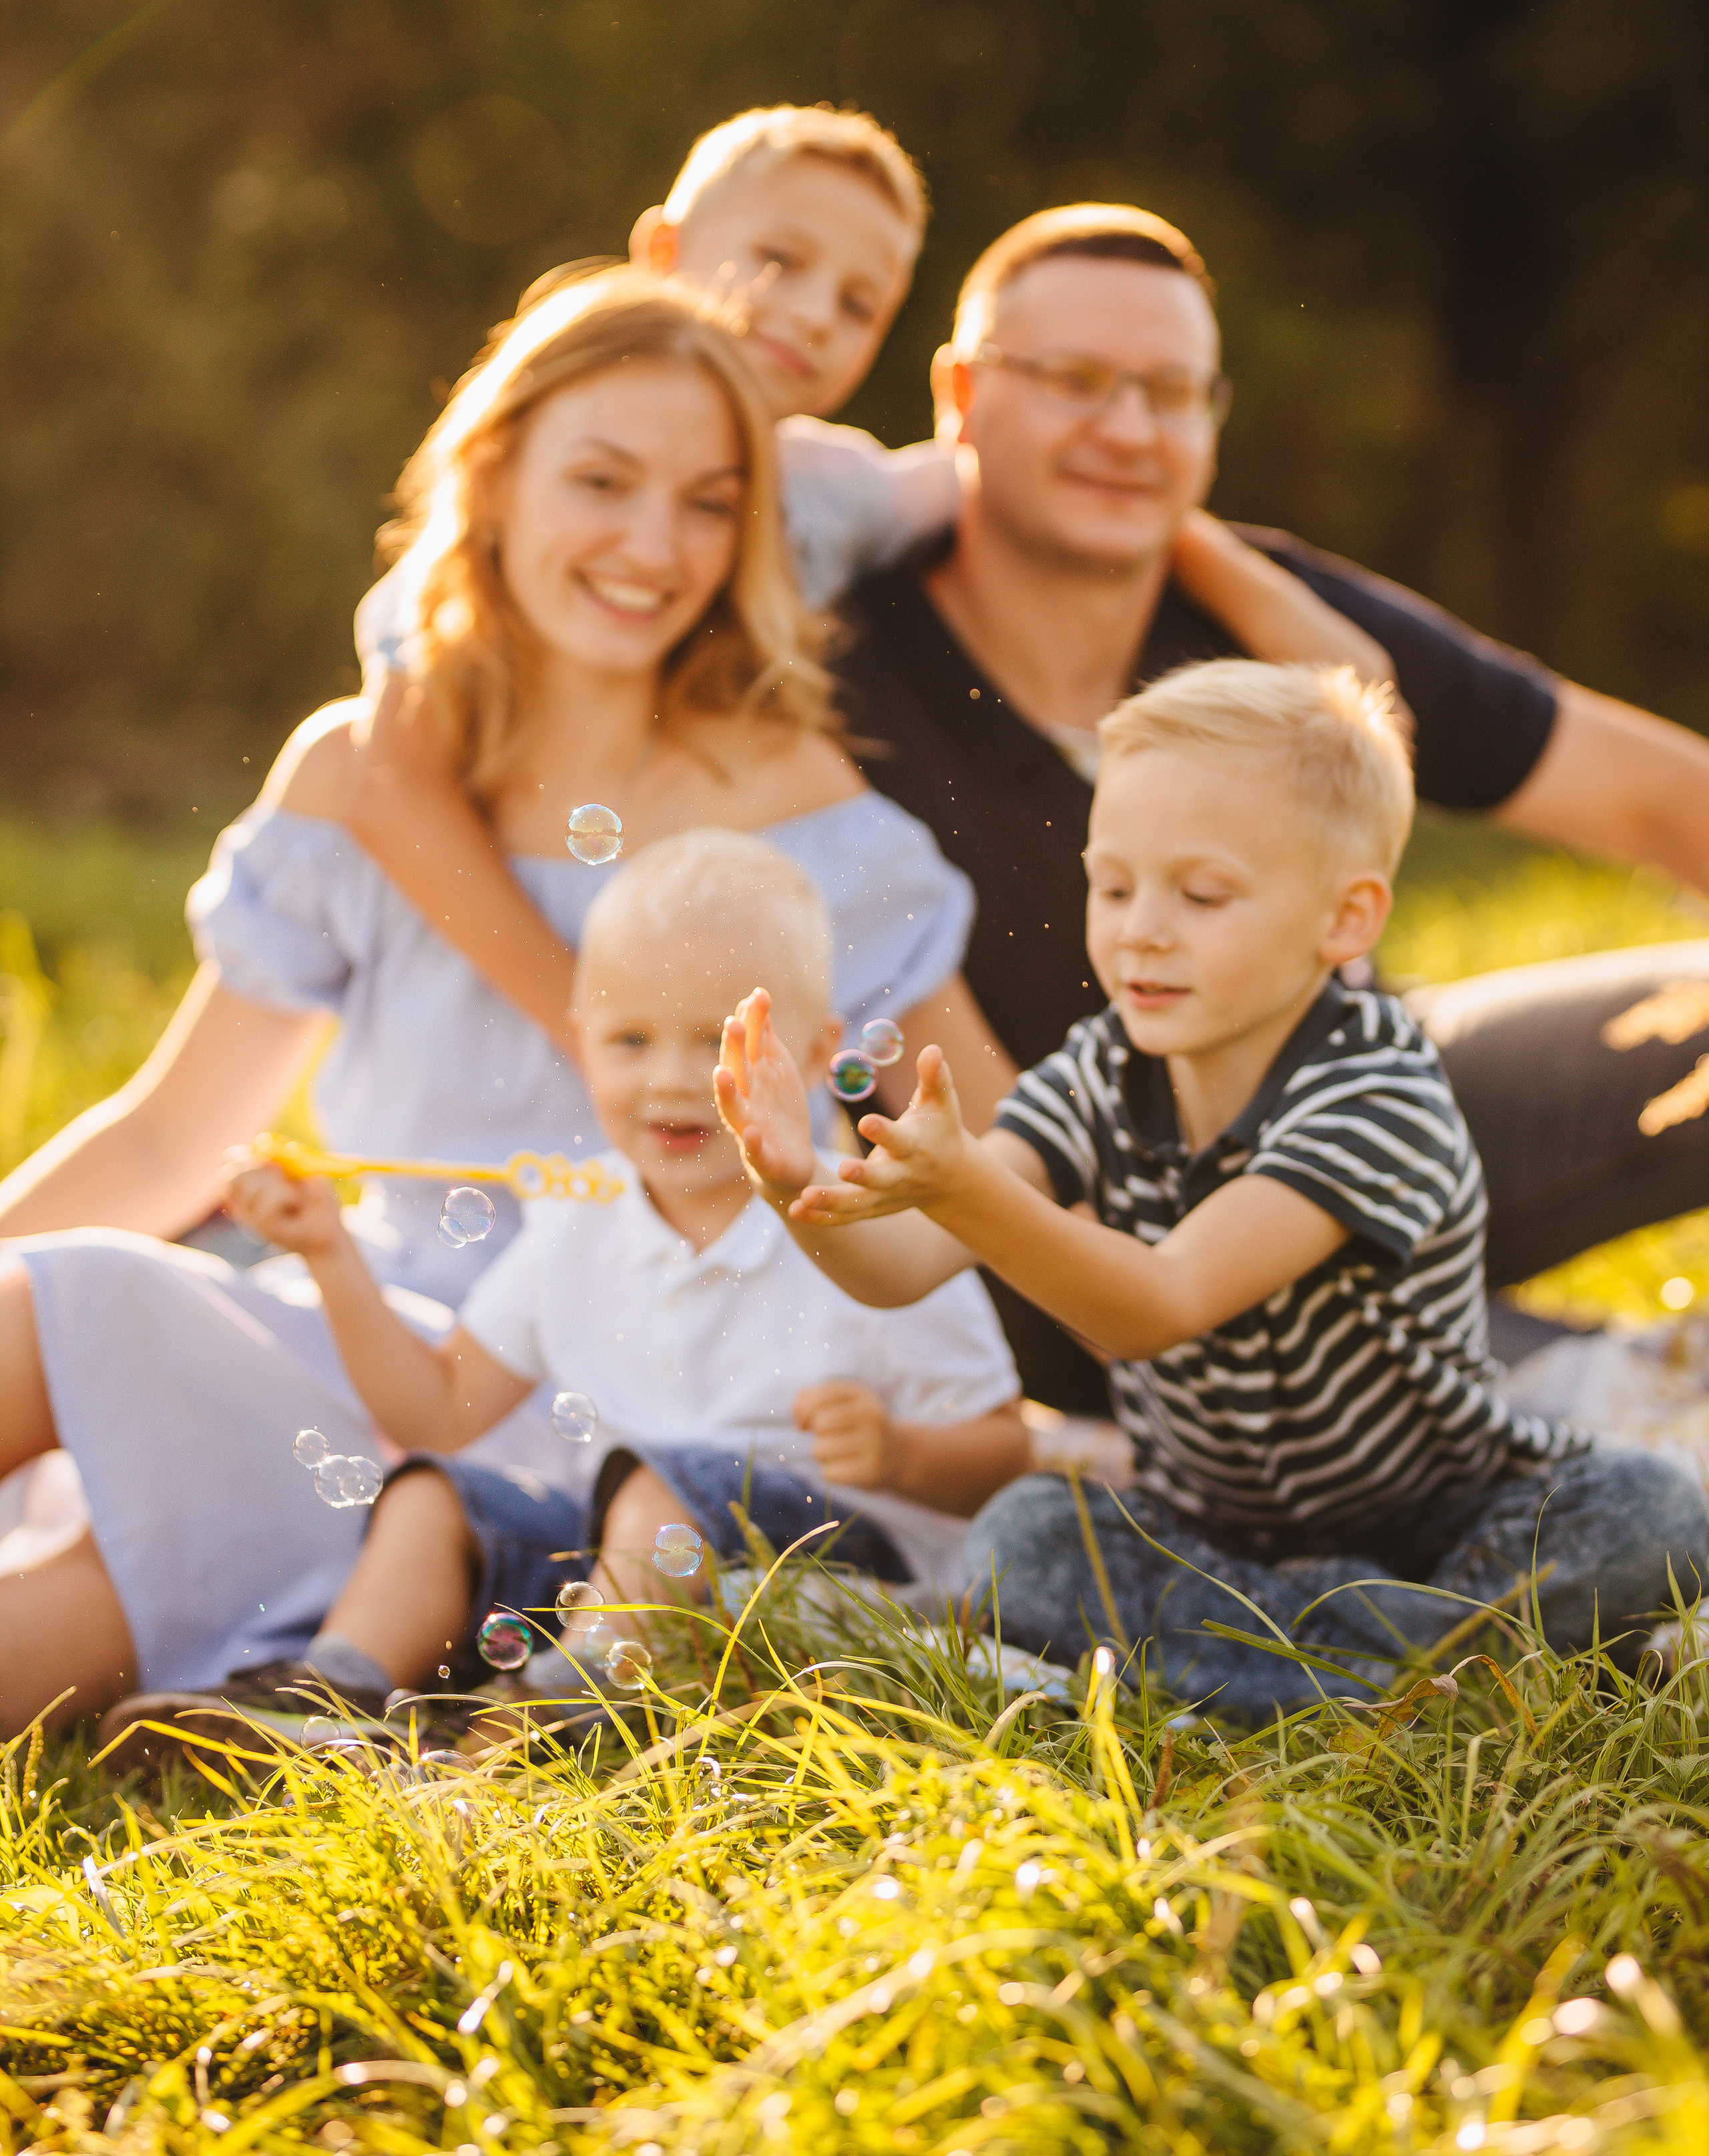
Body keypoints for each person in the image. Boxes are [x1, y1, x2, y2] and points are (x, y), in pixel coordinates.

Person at [0, 268, 1001, 1739]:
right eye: (600, 480)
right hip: (353, 1340)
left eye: (709, 501)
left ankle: (322, 1661)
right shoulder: (363, 772)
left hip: (598, 1398)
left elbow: (988, 1155)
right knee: (47, 1291)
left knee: (67, 1621)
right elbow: (167, 1146)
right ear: (496, 480)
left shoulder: (801, 821)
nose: (653, 546)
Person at [834, 204, 1709, 1404]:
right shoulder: (840, 674)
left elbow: (1669, 803)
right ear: (962, 393)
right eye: (1077, 382)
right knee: (1606, 1446)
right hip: (1109, 1272)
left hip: (1379, 1124)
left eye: (1171, 392)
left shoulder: (1270, 614)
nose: (1128, 429)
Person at [717, 661, 1708, 1719]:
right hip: (1215, 1536)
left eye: (1200, 895)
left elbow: (1161, 1304)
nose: (1141, 928)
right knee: (1028, 1533)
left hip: (1444, 1517)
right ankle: (1404, 1670)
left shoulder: (1375, 1095)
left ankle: (1272, 1672)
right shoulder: (1104, 1072)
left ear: (1345, 921)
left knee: (1647, 1516)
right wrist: (792, 1181)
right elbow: (901, 1265)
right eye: (1113, 885)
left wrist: (962, 1184)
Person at [340, 117, 1399, 1063]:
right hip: (553, 901)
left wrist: (1250, 589)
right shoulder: (534, 493)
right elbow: (389, 778)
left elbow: (1066, 479)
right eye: (775, 260)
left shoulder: (839, 489)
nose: (807, 314)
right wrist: (588, 1022)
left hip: (748, 881)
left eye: (858, 302)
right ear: (663, 251)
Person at [97, 832, 1025, 1762]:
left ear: (819, 1055)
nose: (669, 1079)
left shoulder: (874, 1226)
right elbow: (433, 1412)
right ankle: (327, 1696)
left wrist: (901, 1454)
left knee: (666, 1488)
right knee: (438, 1497)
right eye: (631, 1040)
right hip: (615, 1583)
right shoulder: (579, 1226)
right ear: (581, 1046)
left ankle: (525, 1732)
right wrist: (332, 1254)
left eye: (717, 1043)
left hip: (819, 1586)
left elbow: (1005, 1451)